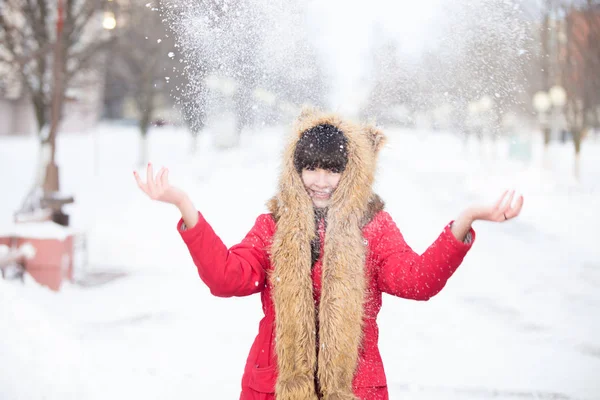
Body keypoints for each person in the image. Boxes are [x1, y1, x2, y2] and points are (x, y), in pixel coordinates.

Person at [134, 109, 524, 400]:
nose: (320, 181)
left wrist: (466, 219)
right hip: (275, 386)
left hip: (355, 386)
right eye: (310, 168)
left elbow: (417, 281)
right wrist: (184, 205)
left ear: (351, 171)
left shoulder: (374, 227)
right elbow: (227, 278)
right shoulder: (273, 225)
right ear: (295, 169)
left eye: (333, 170)